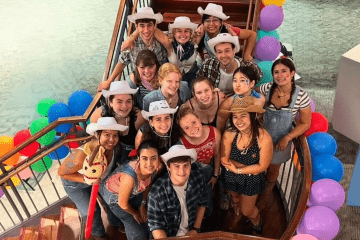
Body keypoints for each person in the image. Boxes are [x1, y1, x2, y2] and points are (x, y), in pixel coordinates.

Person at [58, 117, 128, 239]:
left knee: (110, 200)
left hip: (99, 179)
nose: (111, 139)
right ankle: (98, 234)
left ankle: (116, 223)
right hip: (75, 184)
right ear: (97, 135)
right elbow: (62, 173)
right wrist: (87, 180)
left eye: (115, 135)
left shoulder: (115, 148)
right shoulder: (81, 156)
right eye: (107, 135)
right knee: (92, 211)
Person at [221, 96, 273, 234]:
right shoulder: (230, 133)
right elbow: (224, 159)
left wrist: (237, 169)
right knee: (235, 199)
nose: (238, 121)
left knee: (248, 210)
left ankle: (256, 221)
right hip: (233, 175)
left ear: (252, 116)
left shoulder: (263, 137)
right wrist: (250, 169)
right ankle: (237, 213)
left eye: (243, 116)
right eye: (235, 117)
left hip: (250, 180)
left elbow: (262, 166)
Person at [258, 58, 311, 192]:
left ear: (292, 73)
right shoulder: (267, 88)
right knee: (256, 164)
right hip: (261, 137)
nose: (280, 75)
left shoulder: (301, 95)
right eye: (276, 72)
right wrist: (258, 113)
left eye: (284, 71)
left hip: (280, 141)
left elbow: (305, 123)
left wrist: (288, 137)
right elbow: (253, 95)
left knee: (273, 170)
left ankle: (267, 192)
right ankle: (255, 188)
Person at [99, 140, 162, 240]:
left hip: (134, 193)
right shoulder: (129, 178)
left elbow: (147, 185)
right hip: (115, 198)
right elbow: (122, 203)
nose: (149, 163)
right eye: (144, 158)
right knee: (138, 233)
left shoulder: (157, 168)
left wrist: (143, 204)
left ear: (158, 159)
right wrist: (135, 213)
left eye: (153, 158)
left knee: (150, 221)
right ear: (138, 159)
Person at [97, 7, 167, 91]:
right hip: (138, 82)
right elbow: (122, 61)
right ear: (136, 26)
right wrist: (109, 81)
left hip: (158, 83)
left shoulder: (161, 40)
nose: (146, 30)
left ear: (155, 26)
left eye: (149, 25)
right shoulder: (131, 43)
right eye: (142, 26)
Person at [148, 145, 208, 238]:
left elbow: (203, 202)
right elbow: (156, 226)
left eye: (186, 165)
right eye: (177, 166)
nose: (182, 171)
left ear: (190, 165)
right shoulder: (156, 192)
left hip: (193, 231)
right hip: (169, 236)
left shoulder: (198, 177)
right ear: (168, 167)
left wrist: (195, 229)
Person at [122, 16, 200, 87]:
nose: (183, 34)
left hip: (191, 77)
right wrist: (132, 38)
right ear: (174, 33)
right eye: (179, 31)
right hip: (172, 80)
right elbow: (152, 29)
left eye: (186, 31)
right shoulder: (168, 43)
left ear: (190, 33)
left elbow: (204, 24)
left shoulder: (195, 43)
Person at [176, 105, 221, 217]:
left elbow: (217, 155)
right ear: (182, 131)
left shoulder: (214, 133)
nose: (192, 128)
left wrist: (215, 175)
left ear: (199, 119)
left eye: (194, 122)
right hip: (193, 175)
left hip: (209, 169)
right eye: (186, 128)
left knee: (209, 197)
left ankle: (208, 214)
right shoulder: (182, 143)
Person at [91, 81, 146, 164]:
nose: (124, 106)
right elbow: (96, 139)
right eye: (119, 101)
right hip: (107, 157)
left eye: (128, 101)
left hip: (131, 158)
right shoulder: (99, 115)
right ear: (111, 102)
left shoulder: (139, 117)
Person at [217, 62, 265, 134]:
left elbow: (259, 120)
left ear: (252, 83)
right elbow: (221, 120)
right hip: (234, 134)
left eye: (242, 80)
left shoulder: (260, 98)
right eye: (235, 81)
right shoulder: (229, 102)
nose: (237, 85)